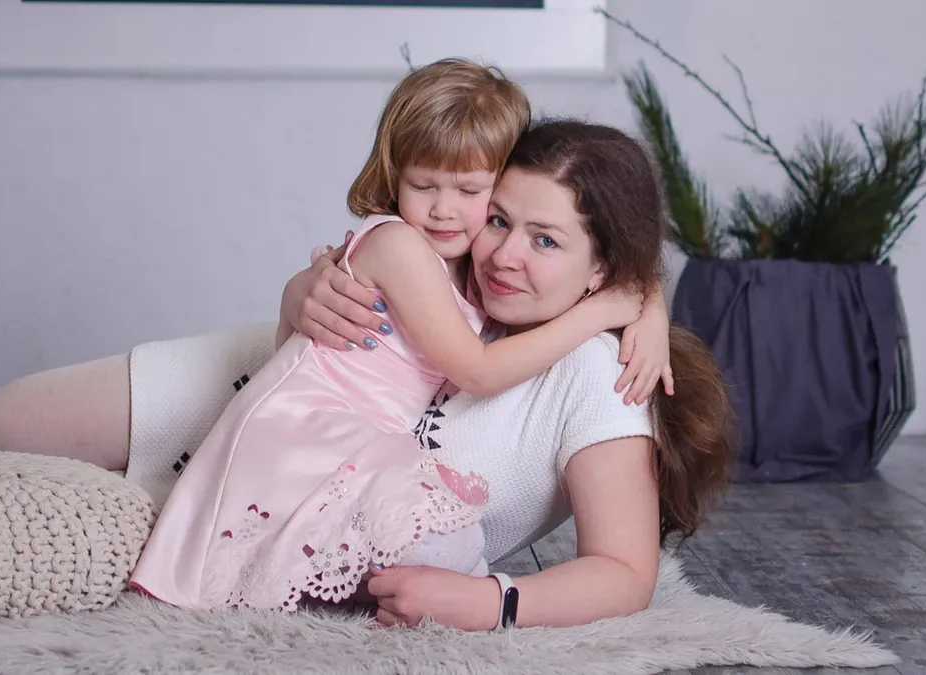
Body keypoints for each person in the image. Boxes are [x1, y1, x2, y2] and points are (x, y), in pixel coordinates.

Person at [0, 119, 732, 630]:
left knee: (90, 531)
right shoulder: (465, 271)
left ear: (601, 269)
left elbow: (625, 570)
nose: (503, 255)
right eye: (498, 219)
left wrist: (489, 601)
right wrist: (299, 296)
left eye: (545, 241)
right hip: (265, 389)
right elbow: (395, 248)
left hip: (303, 497)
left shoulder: (598, 372)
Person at [126, 58, 654, 613]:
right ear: (395, 176)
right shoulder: (402, 247)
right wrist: (600, 310)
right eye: (423, 185)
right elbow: (476, 369)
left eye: (470, 191)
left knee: (443, 543)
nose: (444, 210)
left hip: (355, 435)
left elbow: (599, 238)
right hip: (309, 429)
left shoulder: (478, 274)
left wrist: (647, 303)